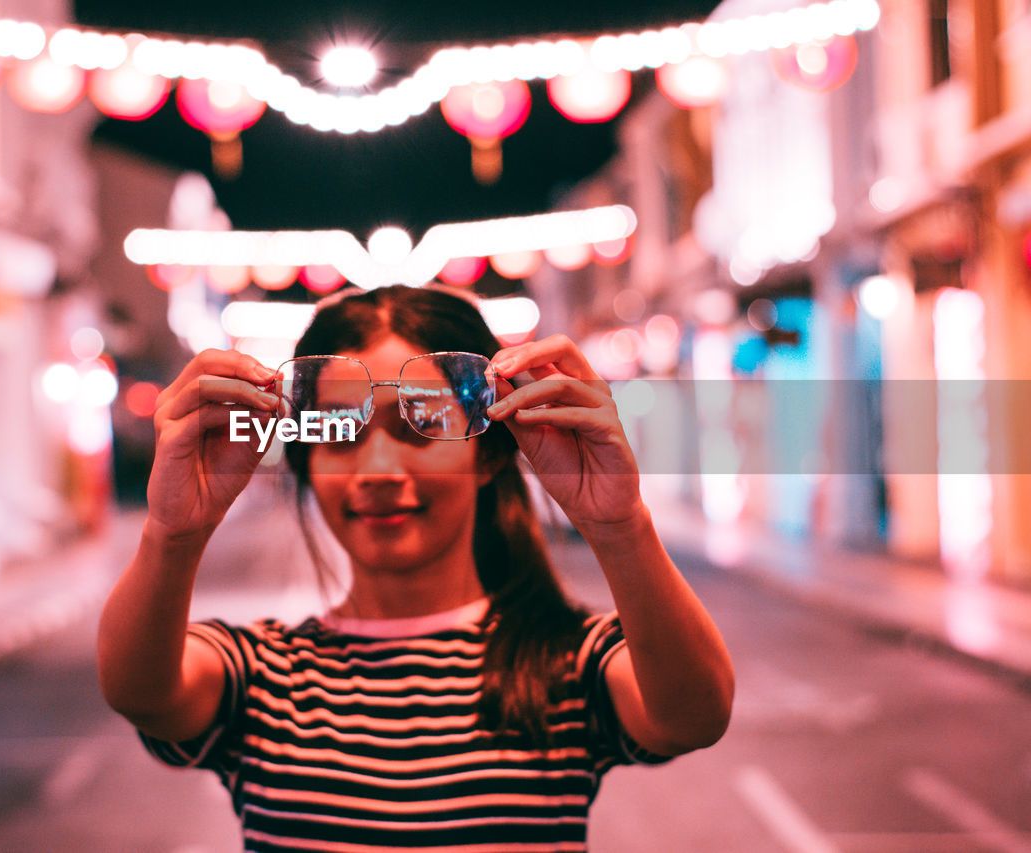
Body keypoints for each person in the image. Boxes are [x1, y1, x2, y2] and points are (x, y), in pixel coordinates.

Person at [97, 284, 734, 851]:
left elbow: (694, 714)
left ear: (488, 456)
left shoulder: (561, 664)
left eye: (422, 427)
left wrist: (619, 525)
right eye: (340, 433)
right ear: (305, 465)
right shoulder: (262, 676)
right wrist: (173, 532)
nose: (377, 471)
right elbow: (140, 692)